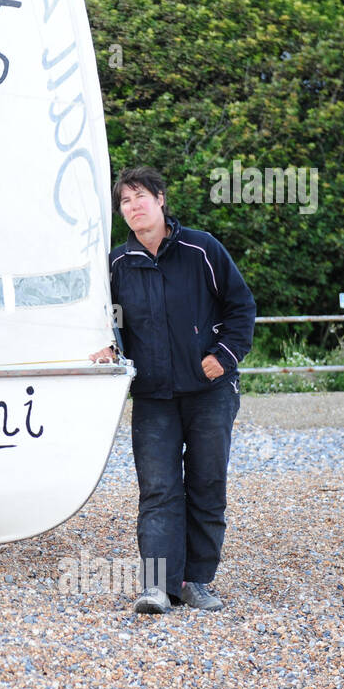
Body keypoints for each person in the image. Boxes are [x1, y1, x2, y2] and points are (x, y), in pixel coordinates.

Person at [91, 166, 255, 613]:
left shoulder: (201, 249)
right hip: (153, 396)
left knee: (206, 485)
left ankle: (196, 581)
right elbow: (104, 320)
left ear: (161, 199)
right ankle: (157, 586)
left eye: (140, 196)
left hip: (210, 391)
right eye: (125, 201)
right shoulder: (116, 264)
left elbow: (241, 306)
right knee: (159, 488)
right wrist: (105, 344)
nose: (133, 206)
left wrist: (223, 356)